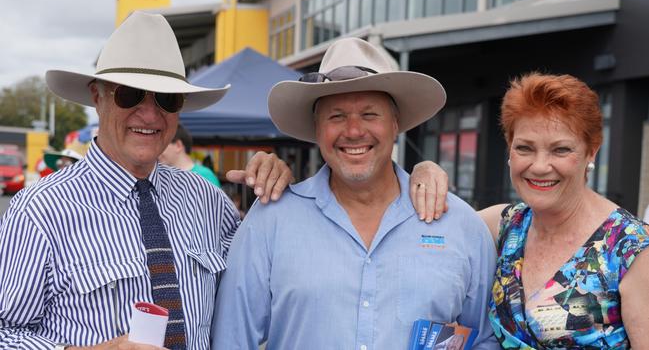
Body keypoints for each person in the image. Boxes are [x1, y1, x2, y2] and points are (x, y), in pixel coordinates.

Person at [0, 11, 293, 350]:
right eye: (130, 95)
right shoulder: (40, 210)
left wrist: (276, 193)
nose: (150, 114)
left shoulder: (207, 200)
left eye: (167, 99)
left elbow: (264, 289)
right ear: (98, 96)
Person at [211, 37, 498, 349]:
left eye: (369, 114)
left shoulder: (460, 226)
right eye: (336, 116)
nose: (353, 131)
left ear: (395, 124)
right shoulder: (269, 222)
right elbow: (232, 339)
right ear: (317, 129)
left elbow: (484, 339)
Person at [410, 73, 649, 348]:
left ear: (591, 152)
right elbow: (426, 223)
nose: (539, 166)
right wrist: (423, 170)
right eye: (525, 148)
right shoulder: (504, 226)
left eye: (560, 150)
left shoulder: (632, 248)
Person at [158, 123, 221, 187]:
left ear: (178, 145)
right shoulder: (161, 176)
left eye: (162, 145)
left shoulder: (204, 176)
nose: (157, 151)